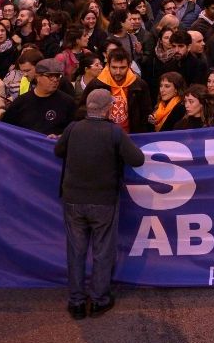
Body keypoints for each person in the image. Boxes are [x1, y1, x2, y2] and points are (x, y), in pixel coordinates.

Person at [53, 89, 145, 320]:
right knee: (103, 251)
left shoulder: (73, 128)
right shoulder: (113, 132)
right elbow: (138, 159)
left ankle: (76, 301)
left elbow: (58, 151)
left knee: (76, 251)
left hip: (73, 199)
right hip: (103, 200)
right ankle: (98, 300)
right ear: (108, 109)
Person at [81, 49, 152, 133]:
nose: (118, 72)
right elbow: (82, 109)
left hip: (131, 135)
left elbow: (146, 112)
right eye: (114, 67)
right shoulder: (96, 84)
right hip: (103, 134)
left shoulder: (139, 85)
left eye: (122, 68)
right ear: (108, 65)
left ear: (129, 66)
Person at [2, 58, 78, 136]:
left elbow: (75, 130)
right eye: (50, 76)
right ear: (38, 77)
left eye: (58, 76)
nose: (55, 80)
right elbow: (6, 129)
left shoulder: (67, 102)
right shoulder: (21, 102)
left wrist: (61, 137)